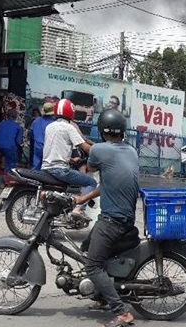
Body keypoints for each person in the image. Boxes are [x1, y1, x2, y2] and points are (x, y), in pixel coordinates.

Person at [74, 108, 138, 327]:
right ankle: (101, 296)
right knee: (85, 247)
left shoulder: (100, 150)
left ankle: (122, 313)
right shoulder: (131, 151)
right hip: (124, 218)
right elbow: (107, 184)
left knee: (92, 266)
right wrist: (83, 200)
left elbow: (88, 170)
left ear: (102, 131)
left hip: (112, 221)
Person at [41, 99, 96, 219]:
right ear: (71, 112)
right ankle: (78, 209)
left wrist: (70, 160)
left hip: (46, 167)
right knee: (91, 182)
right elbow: (86, 148)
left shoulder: (49, 126)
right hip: (60, 170)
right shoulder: (69, 127)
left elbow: (56, 148)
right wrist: (102, 152)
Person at [0, 109, 23, 187]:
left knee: (6, 160)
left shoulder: (0, 124)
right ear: (16, 117)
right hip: (9, 147)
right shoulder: (18, 127)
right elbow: (18, 141)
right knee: (11, 164)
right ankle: (5, 182)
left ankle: (4, 166)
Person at [28, 102, 55, 170]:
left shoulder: (35, 121)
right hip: (49, 149)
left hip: (38, 147)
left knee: (36, 168)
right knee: (48, 169)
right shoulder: (54, 123)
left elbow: (31, 134)